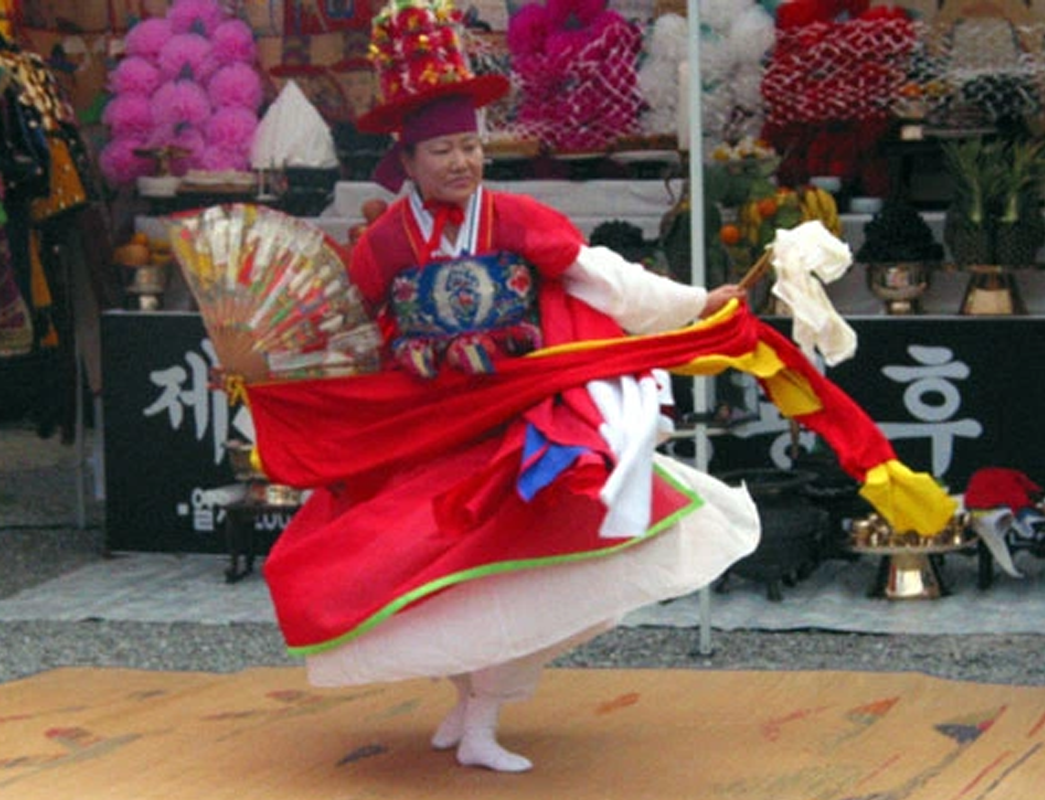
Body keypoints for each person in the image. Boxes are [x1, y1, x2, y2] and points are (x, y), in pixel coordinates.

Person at [258, 0, 761, 773]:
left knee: (518, 573)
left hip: (518, 426)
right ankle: (465, 701)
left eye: (471, 146)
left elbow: (605, 279)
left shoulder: (518, 216)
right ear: (409, 158)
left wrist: (696, 306)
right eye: (443, 151)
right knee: (426, 569)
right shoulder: (385, 241)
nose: (462, 162)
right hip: (426, 427)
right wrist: (276, 370)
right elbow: (343, 331)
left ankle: (484, 718)